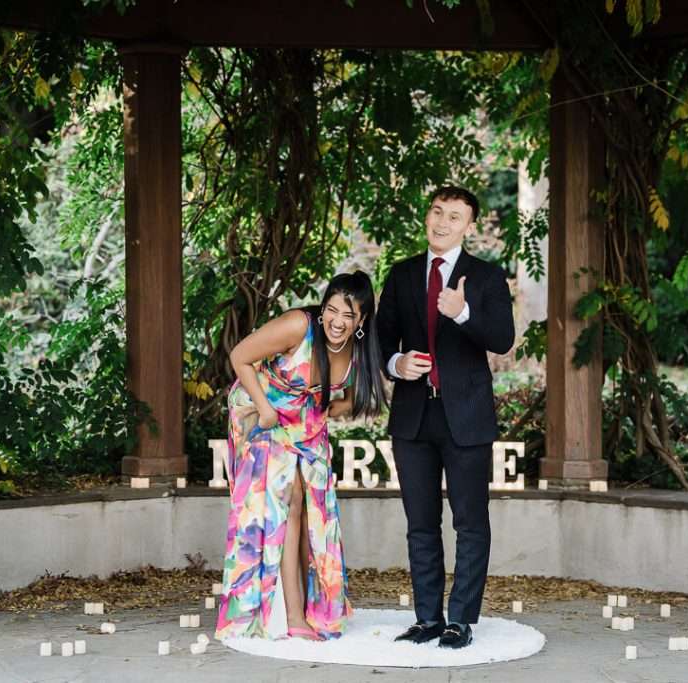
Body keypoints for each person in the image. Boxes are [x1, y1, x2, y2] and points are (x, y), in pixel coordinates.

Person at [375, 185, 515, 649]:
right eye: (437, 211)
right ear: (428, 214)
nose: (442, 222)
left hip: (467, 417)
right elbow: (380, 341)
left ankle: (461, 619)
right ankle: (428, 618)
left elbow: (502, 338)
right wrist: (397, 365)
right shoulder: (401, 274)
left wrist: (463, 312)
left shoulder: (487, 278)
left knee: (470, 521)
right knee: (420, 522)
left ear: (468, 227)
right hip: (413, 417)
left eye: (454, 216)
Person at [214, 272, 386, 641]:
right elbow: (240, 357)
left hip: (305, 423)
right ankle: (291, 614)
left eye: (349, 314)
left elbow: (352, 398)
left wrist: (325, 410)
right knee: (288, 502)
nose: (337, 321)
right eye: (332, 310)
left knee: (315, 510)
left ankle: (314, 607)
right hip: (261, 413)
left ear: (362, 321)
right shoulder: (299, 325)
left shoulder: (358, 351)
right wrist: (264, 409)